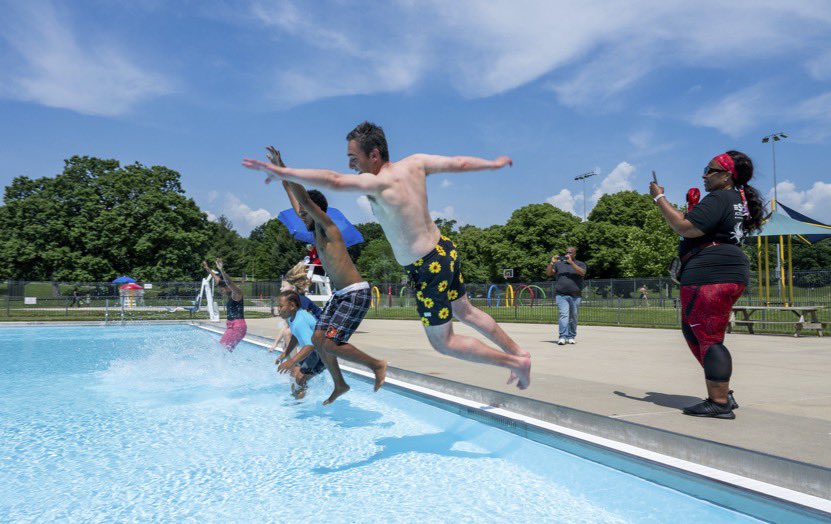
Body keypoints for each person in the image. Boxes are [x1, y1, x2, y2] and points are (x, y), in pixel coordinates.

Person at [242, 123, 531, 390]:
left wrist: (285, 172)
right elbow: (459, 163)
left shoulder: (378, 183)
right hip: (444, 250)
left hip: (427, 266)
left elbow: (333, 180)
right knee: (466, 311)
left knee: (443, 343)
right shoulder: (415, 163)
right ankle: (518, 353)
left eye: (354, 158)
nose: (350, 165)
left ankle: (515, 363)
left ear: (374, 154)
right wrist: (492, 164)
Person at [650, 150, 765, 420]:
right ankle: (723, 391)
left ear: (726, 176)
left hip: (710, 275)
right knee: (695, 334)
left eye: (710, 170)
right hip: (725, 272)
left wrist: (659, 198)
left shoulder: (720, 197)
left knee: (709, 338)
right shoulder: (735, 199)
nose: (704, 174)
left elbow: (685, 227)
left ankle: (719, 402)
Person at [267, 146, 387, 405]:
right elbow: (297, 199)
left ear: (314, 212)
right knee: (319, 339)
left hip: (355, 293)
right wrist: (282, 176)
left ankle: (376, 365)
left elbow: (306, 202)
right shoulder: (314, 233)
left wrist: (286, 168)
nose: (301, 217)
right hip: (341, 295)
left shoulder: (328, 227)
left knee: (330, 343)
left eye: (304, 214)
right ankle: (340, 384)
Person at [274, 290, 326, 399]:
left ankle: (300, 406)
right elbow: (295, 336)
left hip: (322, 354)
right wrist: (286, 353)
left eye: (281, 306)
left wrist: (291, 361)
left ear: (292, 306)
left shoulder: (300, 321)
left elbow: (310, 345)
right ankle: (297, 398)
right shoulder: (292, 318)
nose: (278, 309)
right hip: (314, 351)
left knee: (299, 378)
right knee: (294, 373)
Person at [545, 247, 587, 345]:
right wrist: (552, 263)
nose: (568, 254)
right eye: (567, 252)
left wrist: (572, 263)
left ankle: (571, 336)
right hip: (561, 294)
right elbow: (548, 273)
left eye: (570, 252)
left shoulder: (580, 264)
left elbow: (582, 272)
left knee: (573, 316)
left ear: (575, 254)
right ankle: (562, 336)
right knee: (564, 315)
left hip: (575, 295)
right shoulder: (559, 264)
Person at [203, 259, 247, 351]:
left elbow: (229, 283)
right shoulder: (229, 292)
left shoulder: (237, 293)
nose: (221, 291)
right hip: (232, 326)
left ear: (227, 287)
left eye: (222, 289)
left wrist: (222, 270)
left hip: (237, 327)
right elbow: (217, 279)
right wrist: (208, 269)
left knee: (222, 350)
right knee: (223, 351)